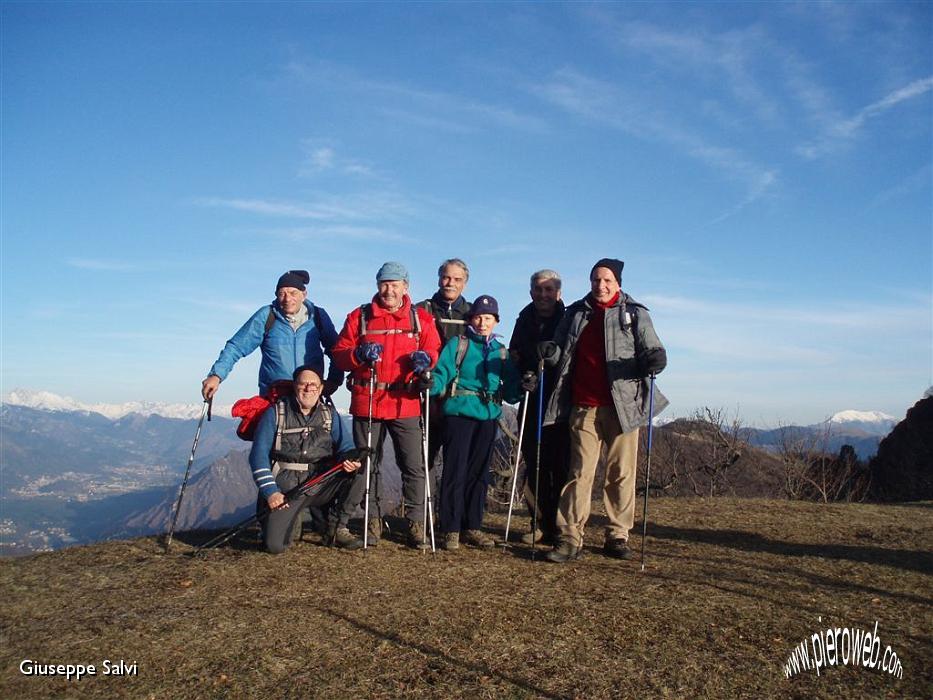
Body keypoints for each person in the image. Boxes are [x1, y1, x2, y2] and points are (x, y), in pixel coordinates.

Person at [541, 258, 668, 563]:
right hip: (583, 404)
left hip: (624, 406)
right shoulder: (575, 313)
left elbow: (652, 347)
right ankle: (570, 537)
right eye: (596, 279)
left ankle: (617, 535)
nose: (601, 285)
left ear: (618, 283)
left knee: (621, 473)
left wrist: (656, 359)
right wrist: (549, 351)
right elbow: (560, 348)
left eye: (607, 280)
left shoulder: (635, 313)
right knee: (579, 472)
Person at [332, 262, 441, 548]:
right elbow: (340, 354)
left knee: (414, 465)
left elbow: (433, 349)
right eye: (384, 284)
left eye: (395, 284)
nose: (389, 290)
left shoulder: (421, 319)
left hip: (405, 402)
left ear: (406, 287)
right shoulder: (360, 317)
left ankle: (416, 523)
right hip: (367, 400)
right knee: (368, 465)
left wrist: (425, 362)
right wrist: (358, 354)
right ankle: (373, 518)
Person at [430, 295, 526, 550]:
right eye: (478, 317)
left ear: (495, 321)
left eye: (488, 318)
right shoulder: (458, 344)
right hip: (459, 414)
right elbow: (442, 372)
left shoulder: (500, 352)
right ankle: (450, 528)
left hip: (488, 415)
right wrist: (431, 385)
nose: (483, 322)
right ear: (471, 319)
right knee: (455, 471)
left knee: (479, 473)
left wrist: (523, 387)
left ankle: (472, 525)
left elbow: (511, 388)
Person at [249, 366, 360, 554]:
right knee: (275, 546)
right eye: (303, 384)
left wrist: (352, 462)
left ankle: (335, 527)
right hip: (286, 489)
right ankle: (288, 520)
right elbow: (257, 456)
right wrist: (271, 492)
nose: (309, 389)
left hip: (320, 483)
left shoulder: (329, 415)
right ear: (295, 386)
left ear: (321, 388)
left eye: (313, 384)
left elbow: (346, 447)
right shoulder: (276, 413)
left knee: (360, 474)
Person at [201, 269, 343, 401]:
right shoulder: (267, 316)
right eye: (282, 293)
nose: (287, 299)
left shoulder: (318, 316)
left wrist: (333, 381)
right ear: (276, 295)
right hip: (274, 397)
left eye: (293, 293)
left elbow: (337, 350)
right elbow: (237, 347)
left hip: (309, 396)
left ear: (304, 294)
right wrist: (216, 375)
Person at [507, 269, 570, 546]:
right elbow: (515, 354)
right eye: (538, 289)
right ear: (531, 291)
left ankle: (562, 526)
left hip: (563, 401)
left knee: (563, 465)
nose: (543, 295)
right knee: (535, 462)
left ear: (558, 292)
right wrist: (525, 374)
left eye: (549, 289)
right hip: (533, 400)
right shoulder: (524, 320)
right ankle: (539, 523)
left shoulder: (569, 319)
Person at [417, 258, 473, 472]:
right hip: (427, 398)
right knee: (422, 461)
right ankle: (421, 505)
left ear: (464, 283)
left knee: (457, 462)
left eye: (457, 279)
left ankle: (450, 506)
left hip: (459, 398)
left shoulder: (472, 314)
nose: (451, 282)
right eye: (446, 277)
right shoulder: (421, 310)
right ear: (439, 279)